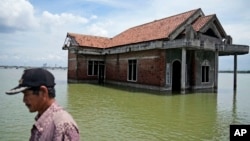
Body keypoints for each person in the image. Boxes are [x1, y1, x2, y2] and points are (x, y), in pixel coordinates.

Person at [6, 68, 80, 141]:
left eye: (26, 94)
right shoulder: (43, 120)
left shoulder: (63, 126)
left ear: (43, 92)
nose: (24, 100)